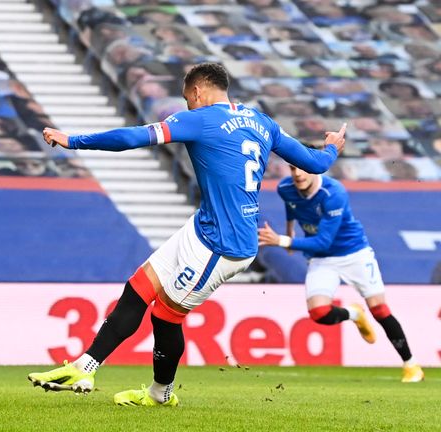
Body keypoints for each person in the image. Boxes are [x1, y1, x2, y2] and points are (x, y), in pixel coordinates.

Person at [27, 63, 347, 406]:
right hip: (203, 226)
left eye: (187, 99)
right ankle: (84, 366)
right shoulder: (261, 121)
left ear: (197, 92)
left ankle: (160, 394)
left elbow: (134, 136)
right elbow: (316, 164)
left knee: (165, 315)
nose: (187, 106)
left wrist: (73, 140)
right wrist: (331, 147)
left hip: (224, 245)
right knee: (138, 287)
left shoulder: (200, 118)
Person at [257, 166, 424, 383]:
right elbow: (293, 207)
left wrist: (283, 240)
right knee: (318, 313)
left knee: (380, 310)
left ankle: (411, 366)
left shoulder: (333, 193)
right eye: (292, 168)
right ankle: (354, 314)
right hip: (322, 259)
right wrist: (290, 230)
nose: (297, 174)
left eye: (303, 169)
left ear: (315, 170)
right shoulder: (285, 187)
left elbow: (324, 240)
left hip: (353, 253)